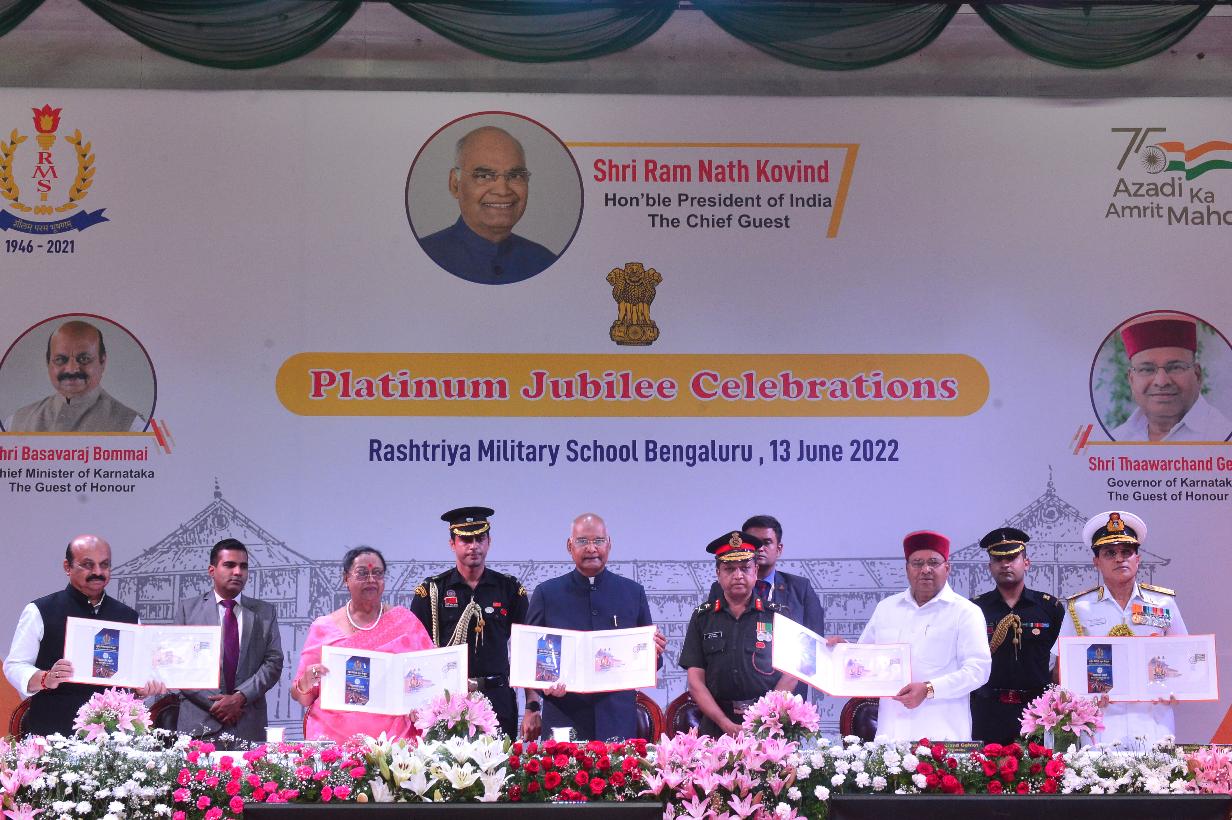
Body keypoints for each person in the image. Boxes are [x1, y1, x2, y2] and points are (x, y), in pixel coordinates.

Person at [836, 530, 990, 742]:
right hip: (891, 737)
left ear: (947, 568)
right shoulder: (887, 608)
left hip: (942, 737)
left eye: (933, 562)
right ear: (907, 569)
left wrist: (929, 689)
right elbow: (865, 658)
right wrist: (841, 651)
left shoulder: (965, 612)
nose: (925, 569)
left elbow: (978, 671)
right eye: (917, 563)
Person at [3, 535, 165, 736]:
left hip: (114, 737)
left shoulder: (128, 617)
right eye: (88, 565)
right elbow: (15, 665)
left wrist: (141, 689)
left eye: (104, 565)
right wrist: (45, 678)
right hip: (54, 731)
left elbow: (137, 675)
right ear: (67, 567)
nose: (97, 572)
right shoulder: (40, 610)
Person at [525, 512, 666, 741]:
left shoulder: (632, 593)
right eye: (582, 541)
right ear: (569, 546)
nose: (591, 548)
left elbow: (651, 663)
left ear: (609, 544)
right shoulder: (547, 594)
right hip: (564, 720)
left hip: (617, 722)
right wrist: (544, 686)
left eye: (598, 541)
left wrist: (655, 652)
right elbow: (531, 658)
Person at [1054, 511, 1187, 747]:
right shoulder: (1081, 607)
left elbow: (1184, 656)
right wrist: (1079, 698)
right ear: (1096, 561)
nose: (1119, 559)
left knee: (1157, 772)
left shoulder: (1162, 604)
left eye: (1126, 552)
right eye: (1110, 553)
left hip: (1154, 718)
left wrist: (1178, 688)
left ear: (1138, 558)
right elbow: (1062, 666)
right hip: (1100, 721)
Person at [410, 506, 532, 739]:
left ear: (489, 541)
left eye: (479, 538)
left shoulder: (509, 589)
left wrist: (532, 705)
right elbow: (415, 654)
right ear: (452, 544)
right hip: (447, 702)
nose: (473, 546)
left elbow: (525, 651)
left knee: (500, 761)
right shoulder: (432, 591)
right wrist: (415, 702)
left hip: (497, 698)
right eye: (466, 540)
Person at [292, 546, 434, 742]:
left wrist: (419, 703)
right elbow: (302, 697)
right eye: (362, 573)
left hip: (395, 740)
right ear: (346, 578)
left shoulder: (405, 622)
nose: (371, 579)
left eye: (377, 573)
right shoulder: (323, 627)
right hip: (335, 737)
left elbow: (430, 678)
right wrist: (307, 681)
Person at [680, 531, 800, 737]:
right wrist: (724, 723)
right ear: (718, 573)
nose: (738, 575)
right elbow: (695, 681)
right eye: (729, 569)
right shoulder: (702, 617)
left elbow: (791, 675)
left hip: (769, 725)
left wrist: (761, 719)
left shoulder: (778, 616)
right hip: (716, 725)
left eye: (745, 568)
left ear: (756, 570)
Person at [173, 538, 284, 746]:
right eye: (229, 565)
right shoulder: (188, 610)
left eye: (243, 566)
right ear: (212, 570)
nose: (238, 572)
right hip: (200, 724)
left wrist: (240, 697)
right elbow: (178, 666)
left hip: (248, 724)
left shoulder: (264, 612)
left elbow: (273, 662)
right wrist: (217, 704)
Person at [418, 126, 558, 285]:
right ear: (455, 184)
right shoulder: (421, 259)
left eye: (515, 175)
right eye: (484, 176)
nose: (503, 191)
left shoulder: (546, 262)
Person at [706, 515, 824, 700]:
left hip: (788, 701)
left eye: (767, 542)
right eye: (755, 543)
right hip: (735, 699)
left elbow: (812, 647)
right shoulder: (721, 589)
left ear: (779, 549)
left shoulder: (801, 589)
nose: (760, 548)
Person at [969, 527, 1063, 743]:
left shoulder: (1049, 608)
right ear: (990, 567)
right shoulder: (975, 609)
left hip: (1038, 712)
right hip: (987, 711)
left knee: (1041, 765)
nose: (1005, 564)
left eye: (1012, 558)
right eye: (998, 559)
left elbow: (1062, 662)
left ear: (1026, 563)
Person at [6, 320, 145, 433]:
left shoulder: (133, 427)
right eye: (60, 359)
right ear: (48, 363)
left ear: (102, 362)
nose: (72, 369)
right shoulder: (16, 423)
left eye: (84, 358)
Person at [1109, 315, 1232, 442]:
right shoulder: (1116, 440)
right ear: (1131, 380)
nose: (1161, 382)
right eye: (1147, 369)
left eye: (1175, 367)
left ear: (1197, 375)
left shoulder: (1223, 437)